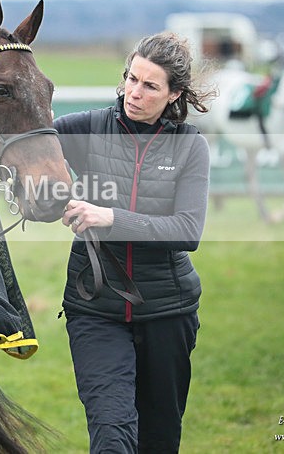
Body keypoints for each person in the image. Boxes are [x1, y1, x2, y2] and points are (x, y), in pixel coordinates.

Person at [53, 32, 215, 453]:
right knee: (111, 434)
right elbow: (27, 145)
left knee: (159, 440)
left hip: (169, 310)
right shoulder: (85, 128)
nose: (134, 92)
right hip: (95, 309)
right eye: (131, 78)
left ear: (173, 94)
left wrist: (108, 218)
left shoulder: (190, 145)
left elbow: (187, 231)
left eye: (149, 85)